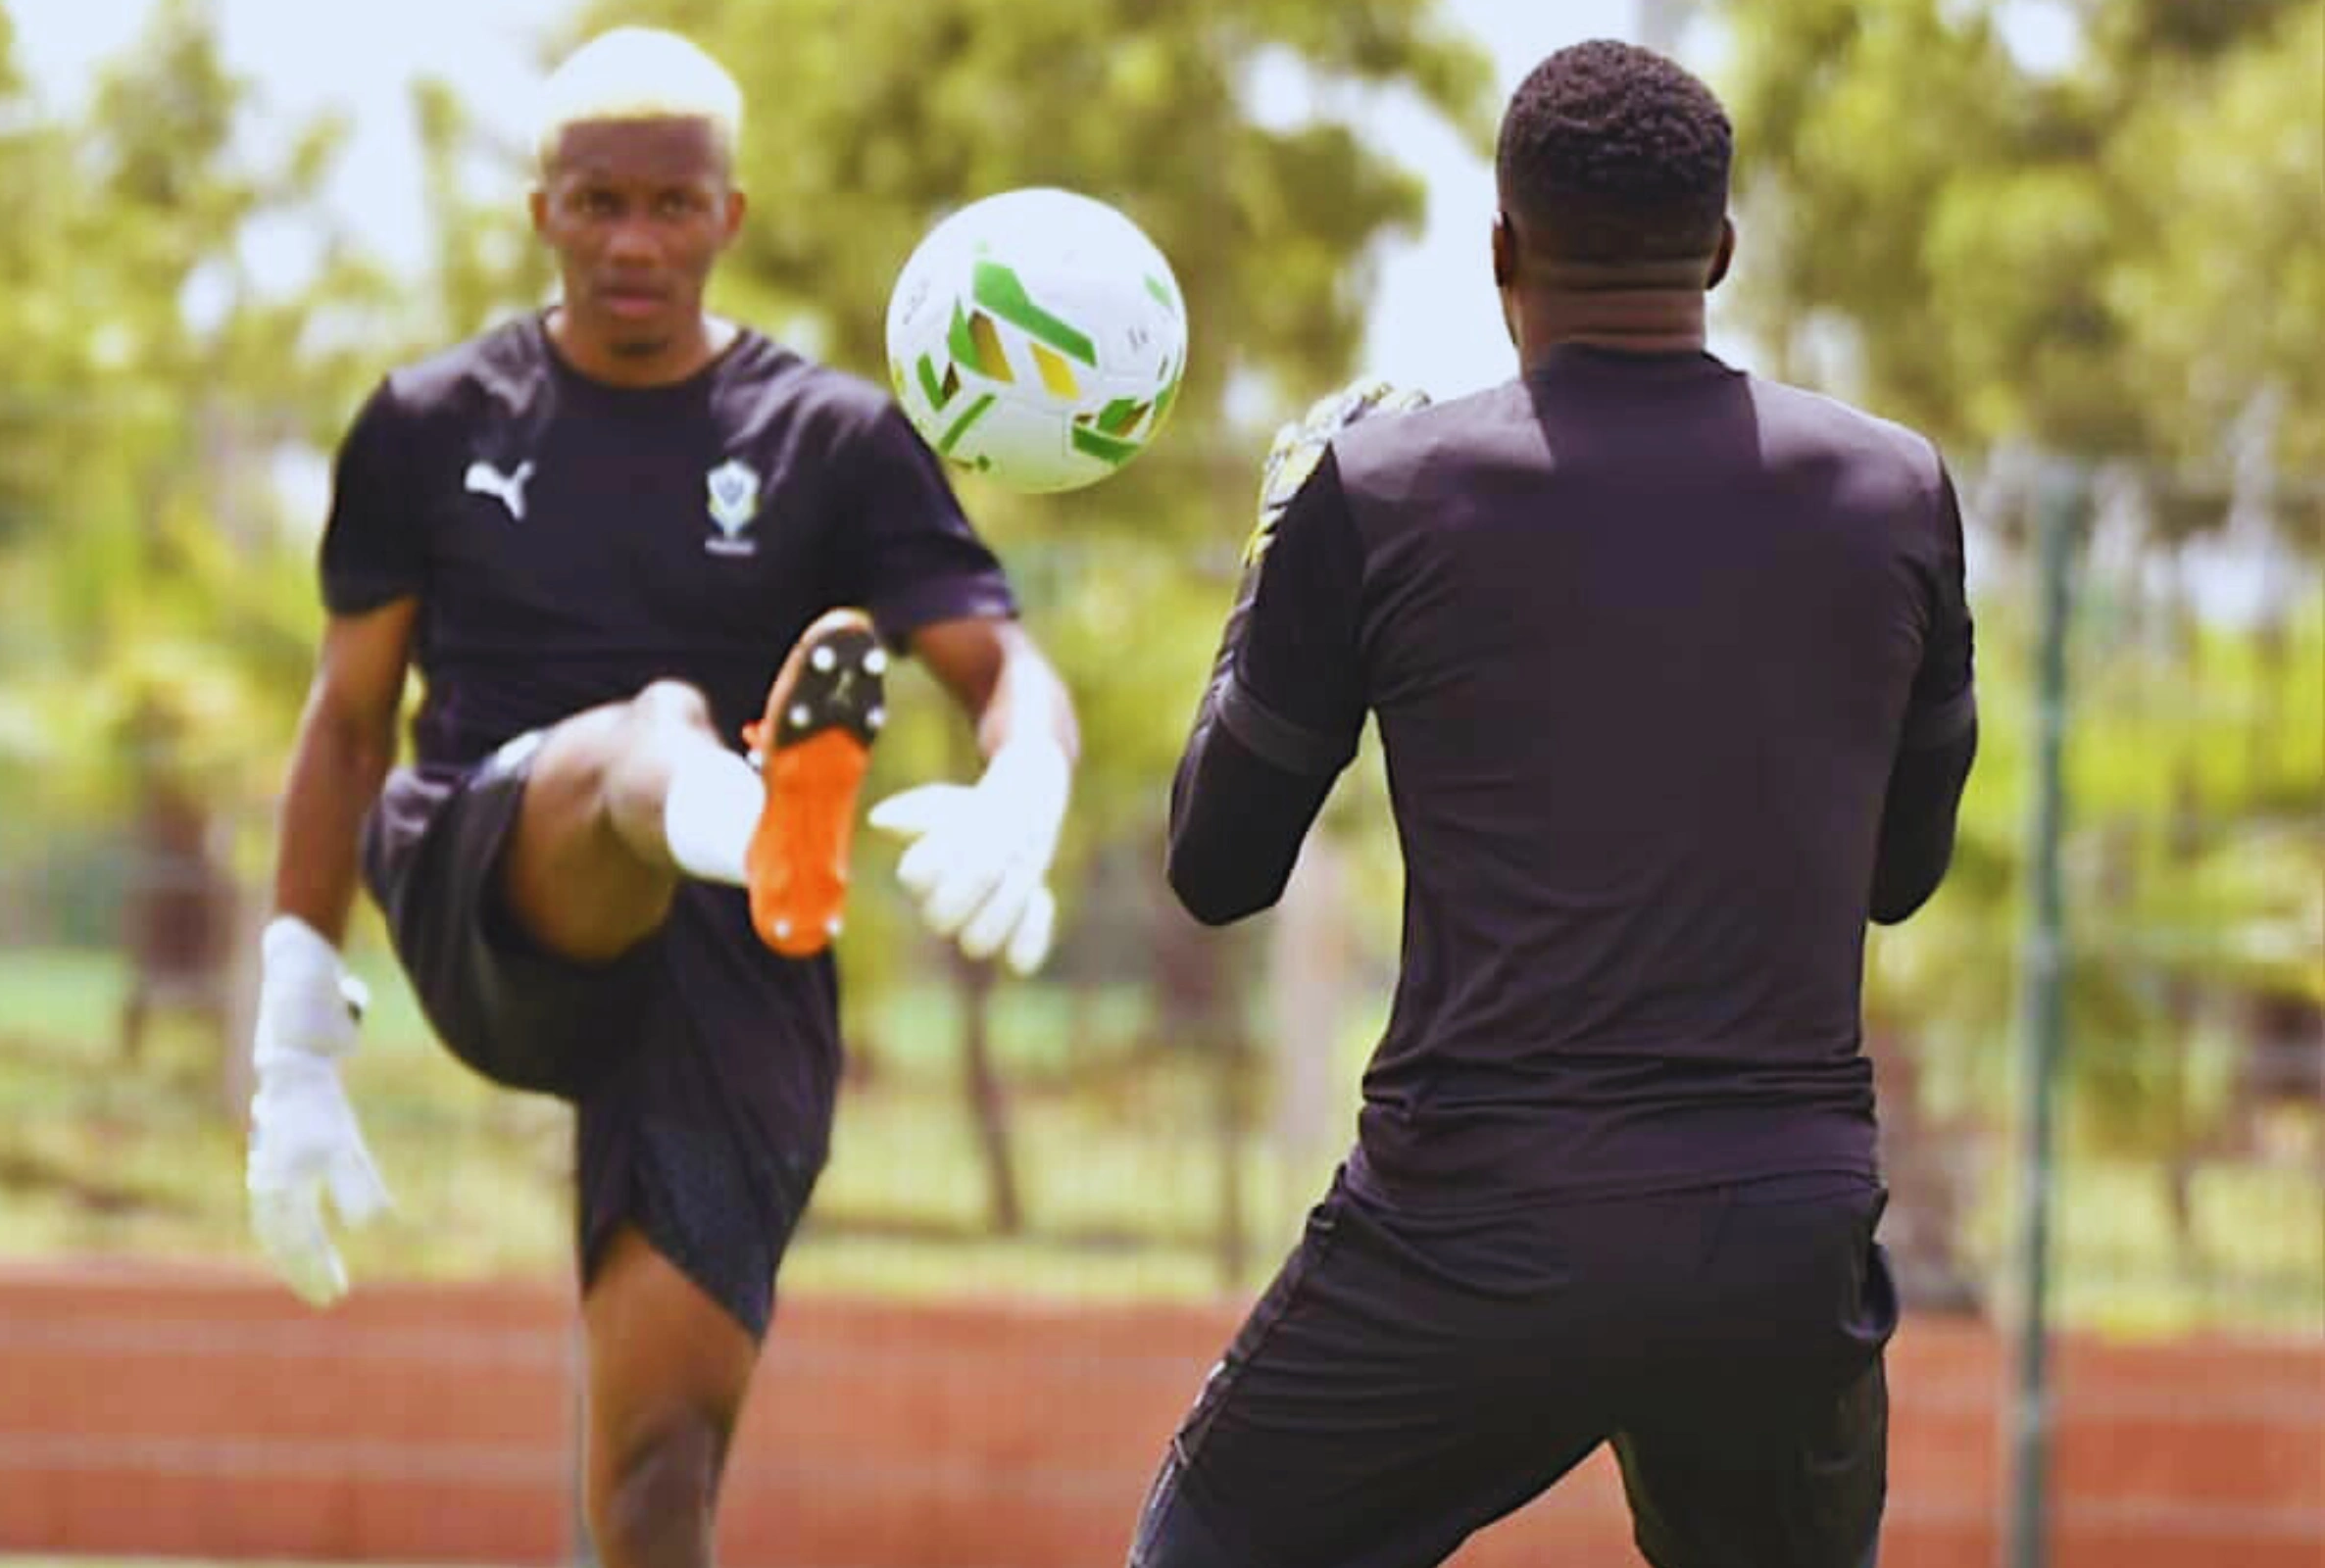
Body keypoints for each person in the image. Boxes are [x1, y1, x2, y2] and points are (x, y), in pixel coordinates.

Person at [1130, 37, 1975, 1568]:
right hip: (1776, 1236)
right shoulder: (1897, 489)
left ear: (1502, 248)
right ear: (1719, 249)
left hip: (1471, 1230)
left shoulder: (1376, 492)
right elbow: (1900, 875)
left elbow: (1217, 865)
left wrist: (1276, 557)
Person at [241, 26, 1077, 1568]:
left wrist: (1025, 782)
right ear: (543, 206)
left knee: (658, 1469)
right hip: (492, 880)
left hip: (730, 960)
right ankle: (751, 804)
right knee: (652, 736)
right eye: (600, 202)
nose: (636, 241)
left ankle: (758, 825)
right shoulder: (429, 424)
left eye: (673, 207)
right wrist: (295, 1028)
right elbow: (349, 723)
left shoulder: (833, 439)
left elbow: (1005, 666)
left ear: (729, 218)